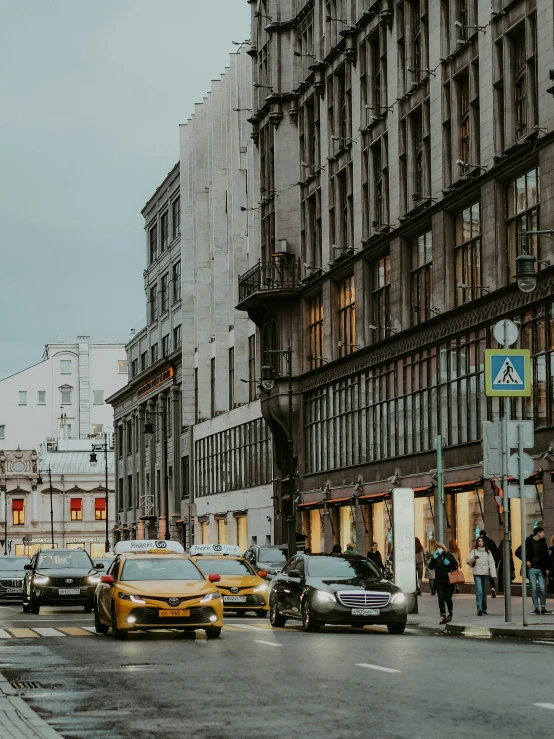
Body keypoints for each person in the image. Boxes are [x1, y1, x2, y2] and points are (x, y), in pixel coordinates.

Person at [515, 526, 551, 615]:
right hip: (531, 569)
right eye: (542, 532)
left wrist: (547, 568)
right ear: (538, 533)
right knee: (533, 589)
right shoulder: (528, 541)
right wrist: (526, 560)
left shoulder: (543, 543)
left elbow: (547, 556)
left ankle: (543, 607)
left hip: (541, 569)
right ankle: (536, 608)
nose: (544, 534)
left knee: (542, 588)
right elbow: (518, 552)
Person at [427, 541, 459, 624]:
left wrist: (449, 564)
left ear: (443, 548)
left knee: (448, 598)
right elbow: (430, 567)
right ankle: (443, 615)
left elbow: (455, 566)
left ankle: (450, 611)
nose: (438, 549)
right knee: (441, 598)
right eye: (437, 548)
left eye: (440, 548)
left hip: (449, 581)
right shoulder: (436, 557)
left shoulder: (449, 555)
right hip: (439, 581)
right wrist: (433, 558)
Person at [467, 536, 497, 616]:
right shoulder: (474, 551)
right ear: (477, 543)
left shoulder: (488, 552)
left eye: (481, 541)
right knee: (479, 591)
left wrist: (493, 575)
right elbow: (468, 561)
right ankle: (479, 609)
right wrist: (473, 558)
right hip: (477, 574)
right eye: (479, 541)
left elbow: (492, 563)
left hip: (485, 574)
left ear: (484, 542)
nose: (480, 542)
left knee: (484, 592)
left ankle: (484, 608)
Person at [479, 530, 498, 597]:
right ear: (486, 534)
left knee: (483, 576)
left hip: (482, 563)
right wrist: (496, 562)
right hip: (491, 562)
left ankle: (483, 590)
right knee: (491, 577)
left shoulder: (480, 543)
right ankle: (492, 588)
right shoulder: (491, 542)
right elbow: (496, 552)